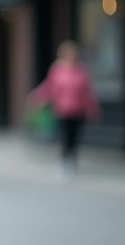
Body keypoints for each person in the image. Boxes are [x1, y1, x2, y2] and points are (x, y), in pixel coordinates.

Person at [30, 41, 100, 181]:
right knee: (65, 137)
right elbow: (49, 87)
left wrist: (92, 109)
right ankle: (63, 163)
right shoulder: (57, 69)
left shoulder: (82, 71)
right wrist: (38, 98)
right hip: (62, 110)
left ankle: (72, 161)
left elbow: (87, 92)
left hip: (78, 110)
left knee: (74, 138)